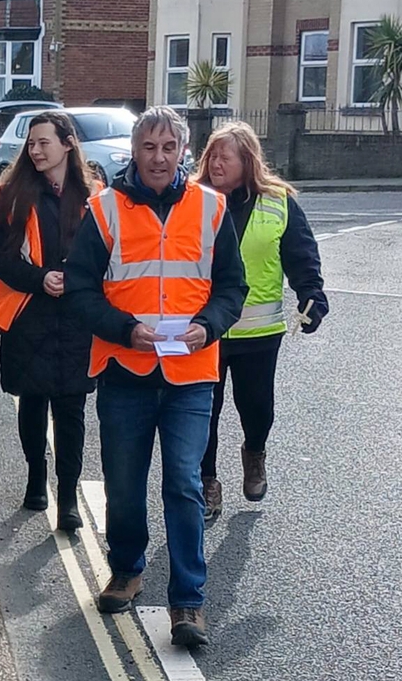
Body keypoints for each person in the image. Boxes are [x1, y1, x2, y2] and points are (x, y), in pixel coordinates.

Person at [65, 106, 248, 647]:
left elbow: (231, 289)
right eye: (150, 147)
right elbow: (80, 290)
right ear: (135, 152)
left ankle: (188, 603)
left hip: (191, 373)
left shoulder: (212, 208)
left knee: (185, 485)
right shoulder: (103, 210)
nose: (160, 157)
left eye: (170, 148)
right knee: (123, 485)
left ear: (183, 152)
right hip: (126, 368)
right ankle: (126, 570)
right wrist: (125, 330)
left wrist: (207, 326)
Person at [195, 122, 328, 520]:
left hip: (259, 332)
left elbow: (302, 256)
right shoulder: (194, 200)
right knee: (204, 411)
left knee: (256, 408)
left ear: (247, 161)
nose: (216, 163)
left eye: (225, 157)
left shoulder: (278, 202)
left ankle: (254, 452)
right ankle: (207, 483)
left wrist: (312, 295)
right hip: (204, 330)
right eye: (211, 156)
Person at [0, 111, 97, 531]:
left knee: (71, 408)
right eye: (31, 144)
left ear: (67, 143)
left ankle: (68, 495)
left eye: (43, 142)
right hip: (29, 314)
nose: (35, 150)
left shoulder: (94, 196)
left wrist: (75, 280)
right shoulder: (13, 195)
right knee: (32, 402)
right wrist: (40, 278)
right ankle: (36, 476)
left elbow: (107, 258)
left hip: (76, 318)